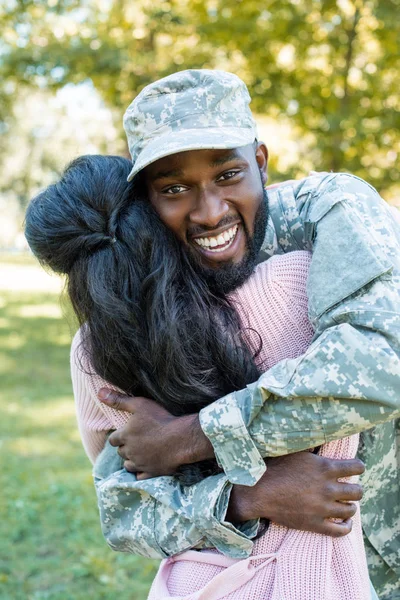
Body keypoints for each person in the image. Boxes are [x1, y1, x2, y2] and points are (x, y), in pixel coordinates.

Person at [92, 70, 400, 599]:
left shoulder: (329, 211)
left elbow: (380, 363)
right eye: (174, 188)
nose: (209, 212)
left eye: (228, 174)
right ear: (146, 200)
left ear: (260, 161)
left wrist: (192, 437)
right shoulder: (154, 291)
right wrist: (243, 496)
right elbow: (121, 506)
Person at [25, 154, 372, 599]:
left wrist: (226, 485)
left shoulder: (93, 349)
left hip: (194, 583)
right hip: (318, 583)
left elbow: (118, 481)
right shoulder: (300, 277)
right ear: (154, 211)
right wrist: (251, 491)